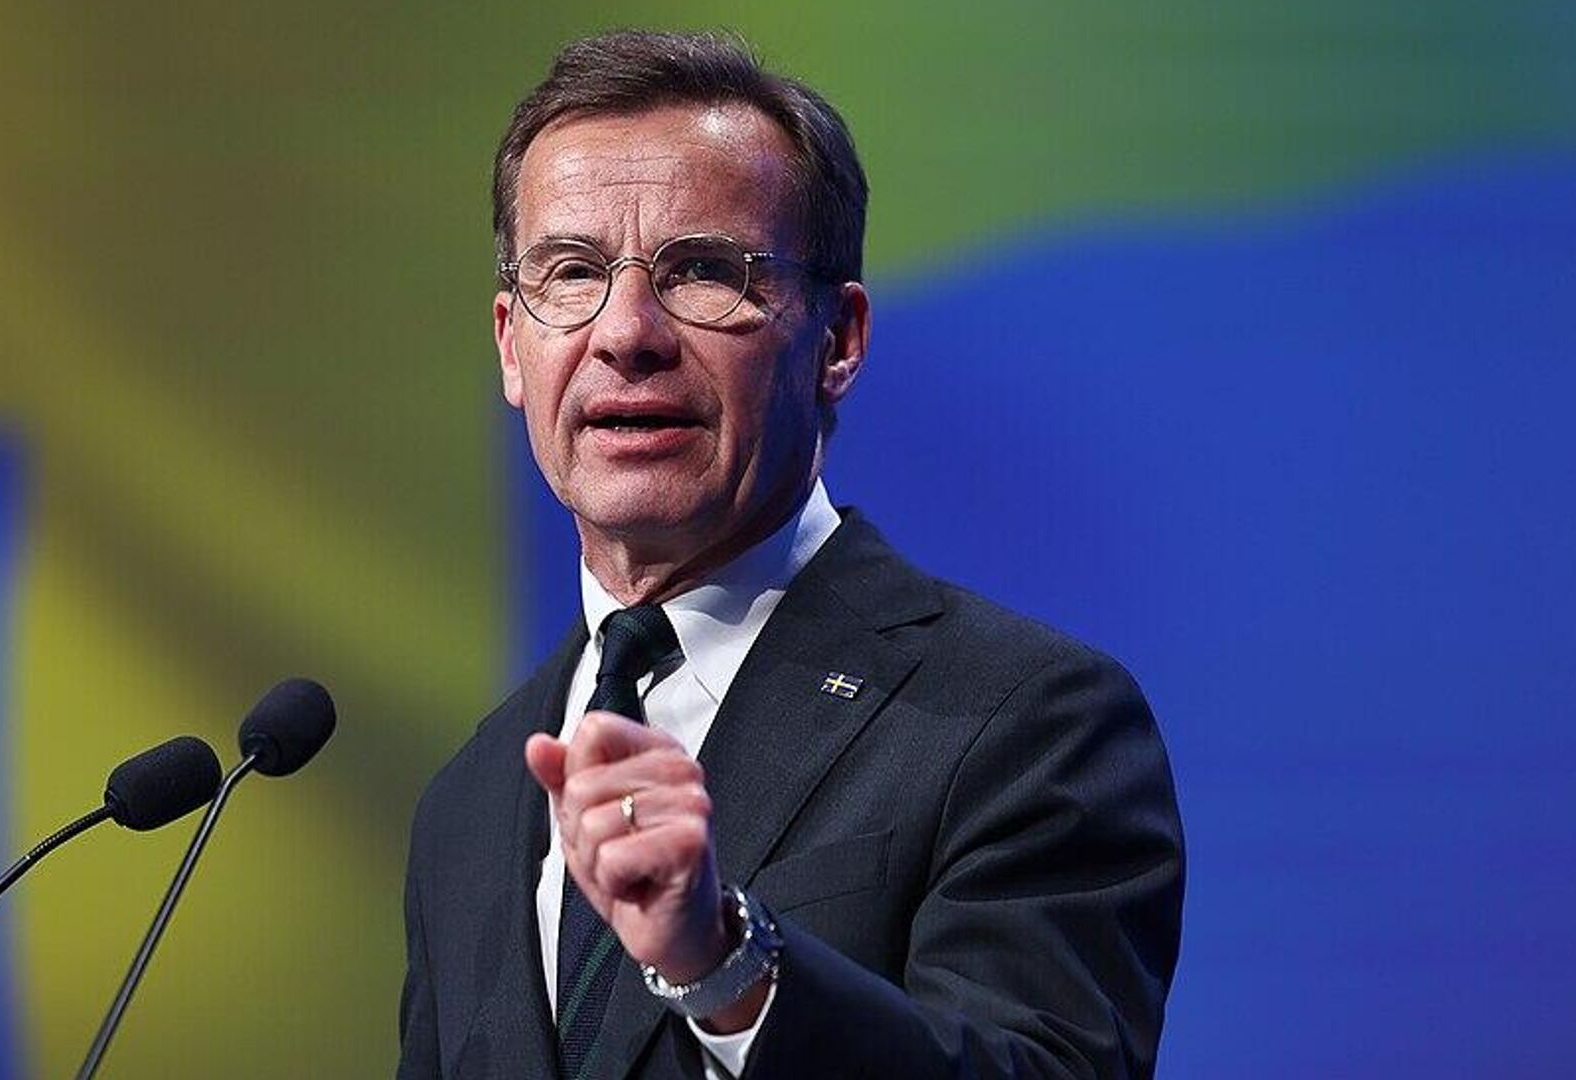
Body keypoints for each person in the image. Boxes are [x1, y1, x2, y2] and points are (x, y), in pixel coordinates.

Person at [399, 29, 1183, 1080]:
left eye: (703, 271)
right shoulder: (467, 805)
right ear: (511, 342)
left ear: (837, 340)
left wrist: (727, 966)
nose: (626, 333)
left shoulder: (1025, 722)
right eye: (573, 273)